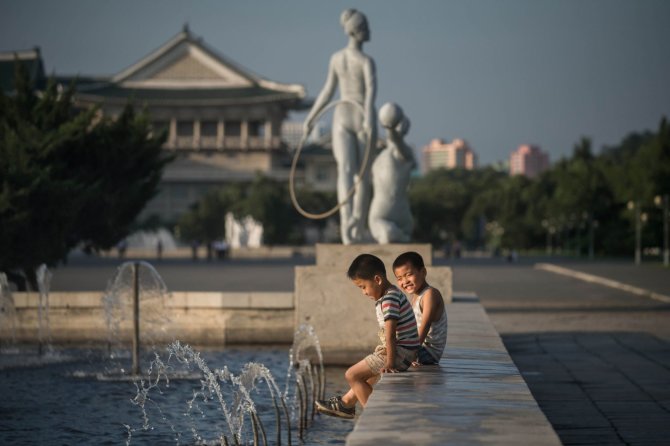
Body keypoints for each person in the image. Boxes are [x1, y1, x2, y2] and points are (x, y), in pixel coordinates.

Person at [303, 8, 377, 245]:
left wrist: (311, 117)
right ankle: (351, 222)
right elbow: (370, 92)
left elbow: (326, 91)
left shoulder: (338, 58)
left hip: (345, 114)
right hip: (355, 114)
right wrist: (311, 118)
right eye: (365, 27)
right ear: (356, 31)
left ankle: (353, 223)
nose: (369, 32)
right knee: (357, 174)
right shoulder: (365, 60)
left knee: (352, 172)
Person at [315, 254, 419, 419]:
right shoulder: (390, 294)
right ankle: (347, 404)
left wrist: (390, 362)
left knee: (352, 375)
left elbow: (391, 333)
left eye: (363, 287)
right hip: (405, 351)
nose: (363, 292)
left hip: (399, 353)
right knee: (366, 377)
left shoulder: (389, 299)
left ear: (377, 280)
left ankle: (375, 417)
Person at [369, 102, 416, 243]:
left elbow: (395, 140)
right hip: (380, 212)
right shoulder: (380, 156)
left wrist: (390, 127)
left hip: (402, 214)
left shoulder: (405, 153)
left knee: (395, 236)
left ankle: (401, 236)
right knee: (387, 235)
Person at [392, 251, 448, 366]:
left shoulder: (430, 294)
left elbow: (425, 325)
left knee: (384, 360)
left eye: (408, 275)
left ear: (423, 272)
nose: (405, 281)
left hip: (427, 352)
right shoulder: (416, 296)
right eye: (399, 278)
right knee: (382, 357)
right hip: (418, 347)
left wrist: (411, 352)